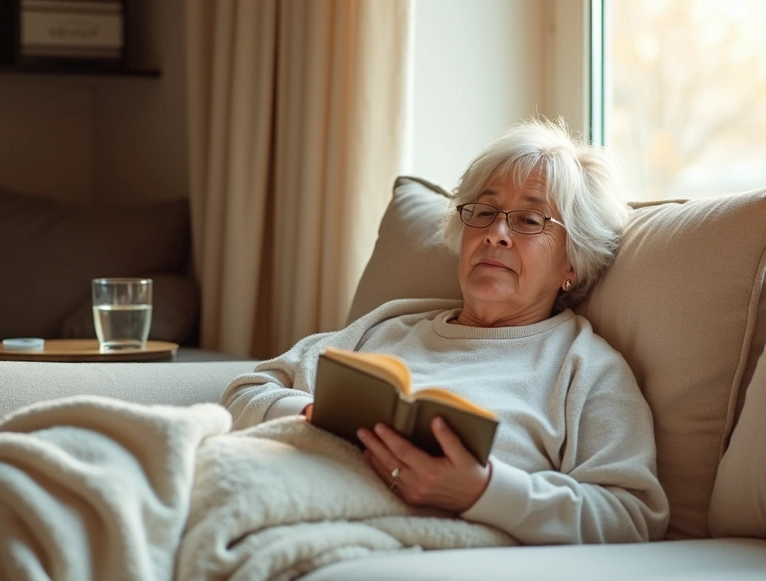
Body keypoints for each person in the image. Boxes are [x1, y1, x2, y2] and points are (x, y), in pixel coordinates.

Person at [223, 118, 669, 545]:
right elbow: (245, 392)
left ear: (573, 260)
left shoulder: (586, 368)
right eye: (485, 212)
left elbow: (631, 515)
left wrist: (484, 491)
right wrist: (315, 416)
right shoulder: (389, 325)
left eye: (529, 221)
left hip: (386, 532)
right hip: (289, 485)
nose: (496, 233)